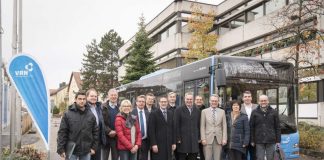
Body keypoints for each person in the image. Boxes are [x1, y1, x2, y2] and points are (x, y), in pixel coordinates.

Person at [57, 91, 98, 160]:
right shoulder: (68, 114)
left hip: (86, 150)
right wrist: (61, 149)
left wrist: (94, 147)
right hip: (71, 150)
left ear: (86, 100)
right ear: (75, 100)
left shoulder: (90, 115)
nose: (82, 101)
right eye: (80, 99)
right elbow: (62, 132)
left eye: (84, 99)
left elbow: (95, 132)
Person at [250, 95, 281, 160]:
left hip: (271, 140)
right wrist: (252, 140)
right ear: (259, 102)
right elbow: (251, 127)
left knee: (270, 158)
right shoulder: (254, 112)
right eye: (261, 101)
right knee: (260, 158)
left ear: (268, 101)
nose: (263, 102)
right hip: (259, 140)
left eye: (265, 100)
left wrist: (278, 140)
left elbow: (277, 127)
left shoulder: (274, 112)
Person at [200, 94, 227, 160]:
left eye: (215, 101)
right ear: (209, 101)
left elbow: (224, 126)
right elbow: (202, 126)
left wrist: (224, 138)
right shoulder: (204, 112)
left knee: (217, 158)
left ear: (218, 102)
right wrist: (203, 138)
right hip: (207, 139)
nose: (214, 102)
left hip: (219, 139)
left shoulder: (222, 112)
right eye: (212, 101)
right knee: (207, 158)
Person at [175, 92, 200, 160]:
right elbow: (176, 125)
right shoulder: (178, 110)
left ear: (193, 99)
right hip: (182, 141)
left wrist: (198, 137)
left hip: (194, 141)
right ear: (184, 99)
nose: (189, 101)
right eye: (187, 99)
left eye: (191, 99)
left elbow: (198, 125)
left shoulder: (197, 110)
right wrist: (178, 138)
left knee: (193, 157)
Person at [86, 89, 106, 160]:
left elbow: (101, 124)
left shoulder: (99, 108)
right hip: (87, 142)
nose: (94, 98)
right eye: (91, 96)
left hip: (98, 141)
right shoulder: (84, 108)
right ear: (87, 97)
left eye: (95, 96)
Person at [102, 89, 120, 160]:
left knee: (115, 158)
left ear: (117, 96)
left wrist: (116, 131)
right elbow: (101, 122)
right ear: (108, 96)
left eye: (115, 95)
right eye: (111, 95)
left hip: (116, 137)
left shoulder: (120, 107)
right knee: (104, 158)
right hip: (105, 137)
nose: (113, 96)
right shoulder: (102, 107)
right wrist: (109, 131)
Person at [131, 95, 150, 160]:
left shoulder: (148, 113)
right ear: (136, 103)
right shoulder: (132, 113)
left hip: (145, 141)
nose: (141, 103)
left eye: (143, 102)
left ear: (145, 103)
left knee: (144, 158)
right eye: (139, 101)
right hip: (135, 141)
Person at [240, 91, 257, 160]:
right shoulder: (239, 107)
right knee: (243, 157)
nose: (247, 98)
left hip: (254, 137)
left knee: (254, 156)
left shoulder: (257, 107)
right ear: (243, 98)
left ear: (251, 98)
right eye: (245, 97)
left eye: (249, 96)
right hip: (243, 138)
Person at [195, 95, 206, 160]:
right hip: (194, 136)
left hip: (204, 136)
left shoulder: (206, 110)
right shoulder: (191, 110)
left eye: (200, 99)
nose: (199, 101)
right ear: (194, 101)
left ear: (202, 101)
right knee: (193, 155)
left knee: (203, 154)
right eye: (197, 99)